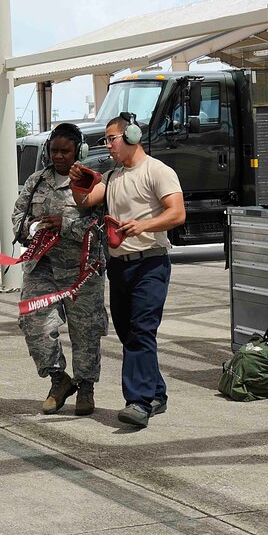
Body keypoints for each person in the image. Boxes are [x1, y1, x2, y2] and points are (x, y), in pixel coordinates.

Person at [70, 112, 185, 428]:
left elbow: (177, 213)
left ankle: (138, 402)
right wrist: (77, 180)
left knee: (140, 331)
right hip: (119, 268)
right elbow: (86, 200)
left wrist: (144, 224)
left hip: (150, 263)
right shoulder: (113, 177)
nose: (107, 145)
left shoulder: (158, 172)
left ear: (132, 136)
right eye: (105, 140)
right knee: (128, 332)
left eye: (111, 138)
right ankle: (157, 392)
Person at [12, 123, 107, 416]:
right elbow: (18, 218)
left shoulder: (93, 182)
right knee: (34, 323)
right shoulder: (36, 182)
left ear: (80, 151)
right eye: (54, 151)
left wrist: (65, 225)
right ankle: (58, 380)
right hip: (43, 267)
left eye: (65, 151)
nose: (59, 156)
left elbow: (101, 225)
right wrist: (34, 227)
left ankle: (86, 387)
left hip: (82, 270)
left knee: (85, 330)